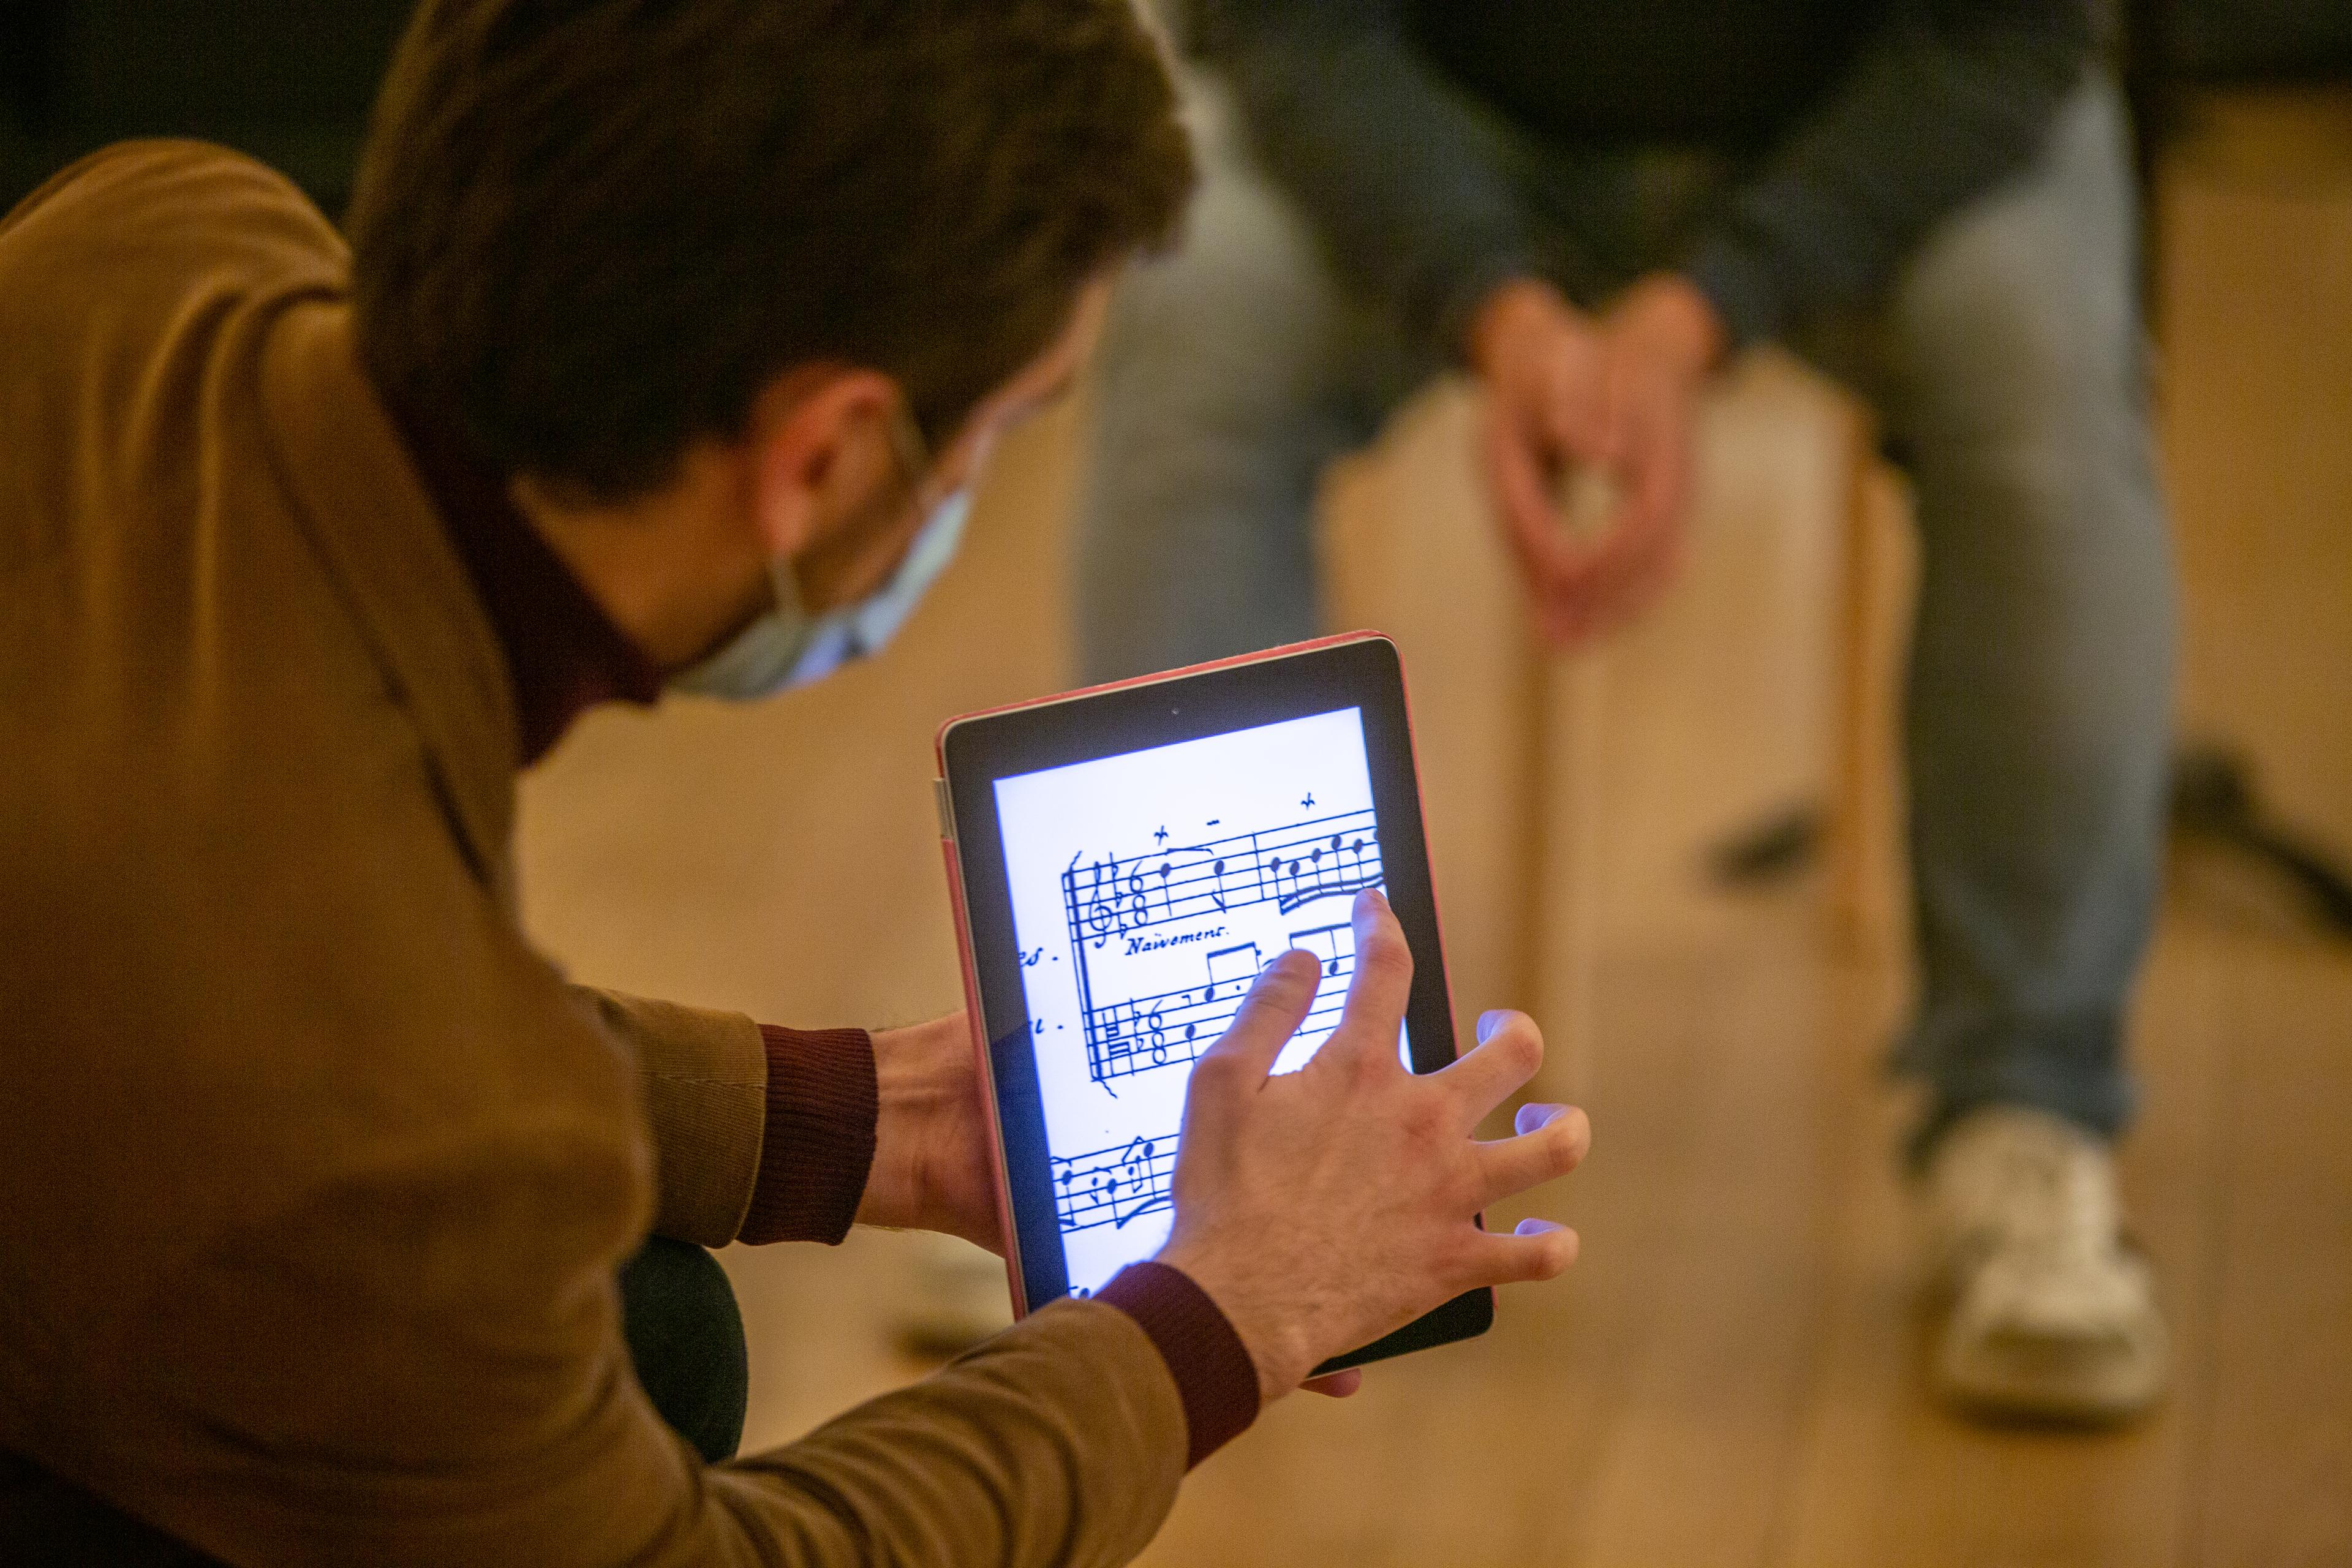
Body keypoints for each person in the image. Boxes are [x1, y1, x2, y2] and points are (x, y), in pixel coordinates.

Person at [0, 1, 1594, 1562]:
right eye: (991, 435)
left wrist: (865, 1124)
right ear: (824, 458)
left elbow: (308, 1017)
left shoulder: (155, 240)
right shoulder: (419, 1156)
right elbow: (376, 1113)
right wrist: (1218, 1318)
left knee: (653, 1321)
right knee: (635, 1346)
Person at [1076, 0, 2174, 1422]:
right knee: (1202, 310)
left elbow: (2007, 44)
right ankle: (1186, 1123)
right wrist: (1492, 301)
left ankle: (2030, 1110)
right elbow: (1285, 25)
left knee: (2040, 376)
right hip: (1432, 103)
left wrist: (1699, 313)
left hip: (1881, 115)